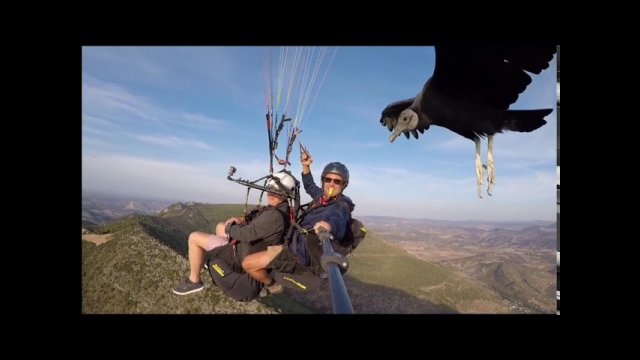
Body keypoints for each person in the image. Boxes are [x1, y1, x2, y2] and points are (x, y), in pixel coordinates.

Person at [242, 149, 354, 296]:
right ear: (323, 181)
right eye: (328, 180)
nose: (331, 184)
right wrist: (306, 165)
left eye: (337, 181)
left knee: (247, 264)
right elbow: (309, 185)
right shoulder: (323, 196)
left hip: (296, 253)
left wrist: (328, 227)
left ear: (344, 185)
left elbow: (338, 220)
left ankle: (272, 285)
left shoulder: (341, 206)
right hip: (293, 239)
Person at [172, 171, 296, 296]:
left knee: (194, 238)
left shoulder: (274, 215)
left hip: (240, 255)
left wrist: (229, 229)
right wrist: (240, 219)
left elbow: (246, 234)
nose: (270, 194)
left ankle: (194, 281)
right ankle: (216, 255)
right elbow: (257, 223)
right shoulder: (280, 210)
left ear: (285, 194)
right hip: (249, 247)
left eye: (276, 192)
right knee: (220, 226)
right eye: (269, 189)